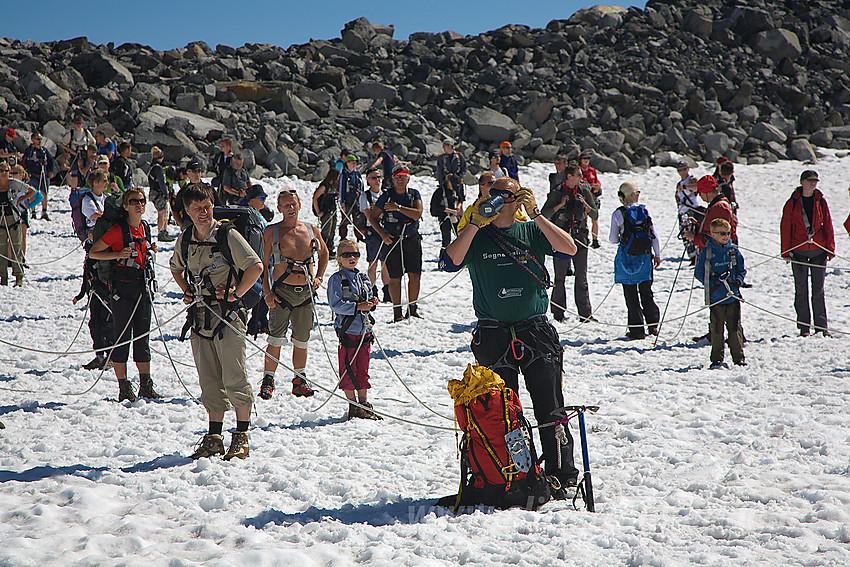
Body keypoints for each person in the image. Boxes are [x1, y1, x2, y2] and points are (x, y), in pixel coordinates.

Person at [443, 176, 580, 495]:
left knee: (550, 406)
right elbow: (450, 262)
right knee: (504, 410)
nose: (495, 198)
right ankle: (517, 473)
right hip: (493, 332)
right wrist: (475, 223)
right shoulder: (477, 234)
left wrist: (537, 214)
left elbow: (568, 248)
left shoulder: (531, 230)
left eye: (504, 194)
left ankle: (562, 472)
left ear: (517, 199)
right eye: (492, 193)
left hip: (535, 331)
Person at [170, 183, 263, 461]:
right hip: (200, 316)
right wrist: (187, 288)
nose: (203, 212)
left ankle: (242, 437)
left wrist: (236, 294)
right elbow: (176, 267)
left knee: (235, 377)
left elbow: (255, 266)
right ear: (187, 210)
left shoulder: (227, 234)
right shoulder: (186, 238)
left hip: (228, 317)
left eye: (207, 206)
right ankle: (214, 438)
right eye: (197, 208)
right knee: (209, 380)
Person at [88, 188, 161, 400]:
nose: (139, 204)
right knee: (121, 338)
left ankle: (145, 384)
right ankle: (124, 386)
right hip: (122, 289)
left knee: (142, 337)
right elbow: (94, 252)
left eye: (142, 201)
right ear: (126, 206)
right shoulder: (118, 230)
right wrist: (118, 254)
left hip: (143, 287)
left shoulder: (145, 227)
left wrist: (149, 248)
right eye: (134, 201)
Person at [259, 190, 329, 400]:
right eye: (286, 205)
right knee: (275, 339)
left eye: (293, 204)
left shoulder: (311, 229)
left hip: (306, 293)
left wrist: (319, 277)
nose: (291, 208)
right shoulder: (272, 232)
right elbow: (262, 266)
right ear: (279, 208)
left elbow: (324, 253)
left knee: (301, 340)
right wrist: (267, 292)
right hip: (282, 293)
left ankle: (299, 380)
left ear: (300, 206)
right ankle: (268, 380)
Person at [327, 239, 381, 420]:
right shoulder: (336, 279)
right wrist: (358, 307)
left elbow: (371, 295)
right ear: (339, 258)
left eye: (355, 254)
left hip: (364, 330)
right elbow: (336, 304)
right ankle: (353, 404)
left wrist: (373, 302)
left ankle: (363, 402)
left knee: (363, 367)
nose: (352, 258)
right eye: (347, 255)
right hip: (348, 331)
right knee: (348, 368)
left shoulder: (363, 278)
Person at [780, 170, 835, 337]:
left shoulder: (821, 201)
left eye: (815, 181)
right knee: (801, 289)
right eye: (810, 180)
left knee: (818, 290)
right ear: (802, 182)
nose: (813, 183)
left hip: (818, 251)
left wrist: (830, 248)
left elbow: (828, 224)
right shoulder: (792, 203)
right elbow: (786, 227)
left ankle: (821, 327)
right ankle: (804, 327)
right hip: (799, 252)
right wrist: (786, 251)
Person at [541, 164, 598, 323]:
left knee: (582, 277)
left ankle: (585, 314)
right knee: (559, 277)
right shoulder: (558, 192)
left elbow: (595, 213)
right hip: (561, 238)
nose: (581, 178)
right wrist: (560, 204)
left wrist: (585, 205)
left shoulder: (583, 191)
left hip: (580, 237)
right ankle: (558, 313)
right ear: (569, 177)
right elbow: (544, 214)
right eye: (578, 175)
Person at [685, 175, 738, 342]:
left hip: (718, 257)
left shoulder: (718, 206)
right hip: (717, 254)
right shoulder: (718, 204)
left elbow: (718, 237)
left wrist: (694, 237)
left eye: (701, 192)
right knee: (720, 293)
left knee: (720, 293)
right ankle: (720, 332)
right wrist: (701, 221)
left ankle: (727, 335)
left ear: (707, 192)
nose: (699, 196)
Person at [369, 165, 424, 322]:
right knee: (395, 277)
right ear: (393, 179)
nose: (400, 179)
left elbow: (418, 214)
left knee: (415, 275)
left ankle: (412, 309)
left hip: (412, 238)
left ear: (408, 179)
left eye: (403, 176)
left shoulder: (414, 194)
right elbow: (373, 217)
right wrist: (383, 235)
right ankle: (397, 312)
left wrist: (398, 208)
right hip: (393, 240)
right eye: (397, 176)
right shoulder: (386, 196)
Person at [609, 181, 661, 339]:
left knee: (631, 294)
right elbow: (653, 235)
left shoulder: (618, 213)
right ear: (632, 194)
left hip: (627, 258)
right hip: (645, 257)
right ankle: (653, 326)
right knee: (646, 292)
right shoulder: (644, 211)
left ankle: (637, 330)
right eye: (637, 191)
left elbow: (612, 239)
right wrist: (657, 254)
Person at [695, 218, 746, 367]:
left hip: (732, 297)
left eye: (728, 233)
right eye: (722, 233)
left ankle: (739, 357)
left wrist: (738, 281)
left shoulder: (733, 251)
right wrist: (711, 284)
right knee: (717, 329)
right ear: (712, 234)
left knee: (734, 328)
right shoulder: (707, 252)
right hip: (716, 298)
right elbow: (699, 273)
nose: (726, 236)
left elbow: (742, 270)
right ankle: (717, 358)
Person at [80, 169, 115, 370]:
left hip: (107, 255)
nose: (106, 183)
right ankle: (101, 353)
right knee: (98, 309)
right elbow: (98, 218)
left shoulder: (107, 198)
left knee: (108, 309)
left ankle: (109, 352)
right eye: (103, 180)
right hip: (95, 255)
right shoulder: (88, 200)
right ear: (94, 182)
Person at [239, 184, 273, 337]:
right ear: (251, 200)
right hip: (256, 260)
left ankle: (260, 321)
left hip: (266, 258)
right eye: (261, 198)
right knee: (257, 291)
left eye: (264, 198)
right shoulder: (247, 215)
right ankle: (254, 323)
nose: (263, 200)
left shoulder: (258, 214)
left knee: (265, 291)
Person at [0, 161, 35, 286]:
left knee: (16, 247)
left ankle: (19, 276)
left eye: (6, 171)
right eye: (1, 171)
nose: (4, 173)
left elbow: (32, 191)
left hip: (13, 219)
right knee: (1, 248)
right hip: (0, 220)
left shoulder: (14, 183)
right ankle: (3, 277)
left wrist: (20, 200)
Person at [457, 172, 527, 233]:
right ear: (481, 187)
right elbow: (460, 233)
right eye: (490, 183)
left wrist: (509, 219)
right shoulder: (473, 208)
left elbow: (524, 225)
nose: (493, 185)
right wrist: (474, 222)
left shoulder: (507, 204)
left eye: (495, 182)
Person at [359, 166, 390, 301]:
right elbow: (369, 215)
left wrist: (377, 211)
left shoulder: (386, 194)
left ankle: (387, 291)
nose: (377, 180)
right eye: (374, 178)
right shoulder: (364, 195)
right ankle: (372, 290)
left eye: (379, 177)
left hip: (386, 229)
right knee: (373, 262)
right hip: (372, 232)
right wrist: (381, 211)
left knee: (386, 262)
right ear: (368, 180)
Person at [432, 140, 466, 251]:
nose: (444, 148)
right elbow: (439, 171)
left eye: (445, 146)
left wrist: (457, 179)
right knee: (446, 237)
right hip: (445, 190)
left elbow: (464, 169)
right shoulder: (442, 158)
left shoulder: (459, 156)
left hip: (457, 184)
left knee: (460, 233)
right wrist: (444, 183)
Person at [21, 131, 54, 221]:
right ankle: (33, 211)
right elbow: (25, 159)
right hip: (33, 175)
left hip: (43, 175)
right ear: (32, 139)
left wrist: (51, 171)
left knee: (44, 193)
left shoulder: (44, 150)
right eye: (37, 139)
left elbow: (51, 161)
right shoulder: (29, 150)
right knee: (33, 193)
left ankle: (44, 211)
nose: (39, 141)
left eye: (40, 139)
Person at [9, 164, 39, 261]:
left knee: (22, 237)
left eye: (15, 173)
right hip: (11, 212)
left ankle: (21, 258)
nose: (12, 175)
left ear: (21, 174)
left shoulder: (24, 186)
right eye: (11, 173)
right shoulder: (10, 184)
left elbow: (39, 196)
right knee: (10, 237)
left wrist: (27, 204)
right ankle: (10, 257)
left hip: (22, 213)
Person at [674, 162, 702, 265]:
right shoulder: (679, 184)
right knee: (684, 233)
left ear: (688, 169)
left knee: (692, 232)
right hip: (682, 211)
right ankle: (691, 256)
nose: (681, 172)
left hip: (692, 210)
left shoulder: (691, 179)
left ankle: (697, 256)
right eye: (679, 170)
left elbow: (697, 187)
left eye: (683, 169)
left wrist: (685, 187)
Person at [148, 146, 173, 242]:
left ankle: (163, 231)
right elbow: (161, 182)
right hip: (158, 193)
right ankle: (162, 231)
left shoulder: (152, 167)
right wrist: (166, 194)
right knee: (163, 212)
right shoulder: (158, 168)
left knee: (162, 212)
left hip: (154, 192)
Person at [312, 168, 340, 256]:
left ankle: (330, 248)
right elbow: (315, 197)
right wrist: (318, 212)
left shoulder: (333, 186)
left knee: (332, 230)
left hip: (333, 211)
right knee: (326, 231)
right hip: (326, 212)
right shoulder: (324, 186)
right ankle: (324, 250)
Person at [578, 151, 602, 249]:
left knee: (595, 219)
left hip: (593, 197)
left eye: (588, 159)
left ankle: (595, 239)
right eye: (584, 159)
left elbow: (597, 181)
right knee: (585, 219)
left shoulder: (592, 170)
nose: (586, 160)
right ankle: (586, 237)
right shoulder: (578, 171)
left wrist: (597, 186)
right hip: (585, 198)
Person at [338, 154, 364, 240]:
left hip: (356, 201)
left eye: (355, 163)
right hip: (347, 201)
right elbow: (341, 189)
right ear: (347, 163)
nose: (354, 165)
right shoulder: (344, 175)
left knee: (358, 220)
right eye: (352, 163)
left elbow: (361, 186)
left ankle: (359, 237)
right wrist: (342, 203)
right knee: (345, 220)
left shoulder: (357, 174)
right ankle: (343, 237)